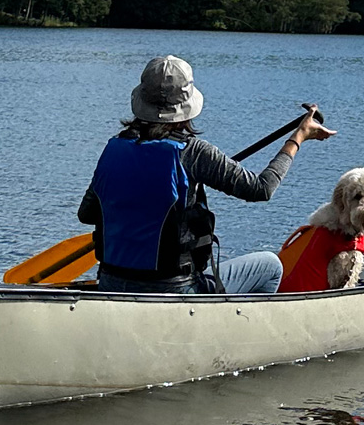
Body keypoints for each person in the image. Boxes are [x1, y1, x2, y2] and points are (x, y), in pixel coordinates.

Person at [78, 55, 334, 294]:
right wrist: (298, 137)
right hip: (175, 288)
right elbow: (261, 189)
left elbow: (87, 213)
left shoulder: (114, 147)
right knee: (270, 266)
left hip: (111, 283)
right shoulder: (194, 152)